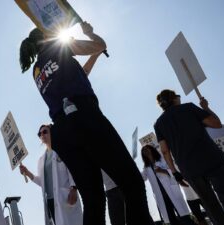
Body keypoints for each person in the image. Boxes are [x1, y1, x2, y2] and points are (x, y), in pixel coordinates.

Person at [19, 22, 154, 225]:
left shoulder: (37, 70)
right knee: (131, 181)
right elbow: (99, 44)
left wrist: (95, 56)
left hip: (63, 132)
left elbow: (78, 76)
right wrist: (88, 32)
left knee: (94, 200)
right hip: (84, 117)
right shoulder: (59, 47)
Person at [154, 89, 224, 225]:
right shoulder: (189, 108)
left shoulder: (159, 124)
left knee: (210, 206)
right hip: (212, 160)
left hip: (190, 170)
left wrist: (175, 173)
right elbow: (216, 124)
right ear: (174, 99)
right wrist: (206, 108)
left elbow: (165, 151)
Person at [20, 124, 82, 225]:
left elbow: (72, 169)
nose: (42, 135)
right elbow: (42, 182)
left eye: (45, 131)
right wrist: (27, 173)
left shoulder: (62, 150)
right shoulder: (41, 160)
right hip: (50, 201)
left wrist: (74, 188)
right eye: (39, 134)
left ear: (52, 133)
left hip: (65, 197)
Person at [141, 145, 196, 225]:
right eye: (143, 151)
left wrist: (162, 170)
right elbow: (142, 178)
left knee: (185, 218)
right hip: (162, 196)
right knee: (171, 219)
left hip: (172, 191)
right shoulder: (146, 168)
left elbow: (173, 170)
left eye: (147, 149)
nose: (145, 151)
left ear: (152, 150)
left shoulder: (162, 160)